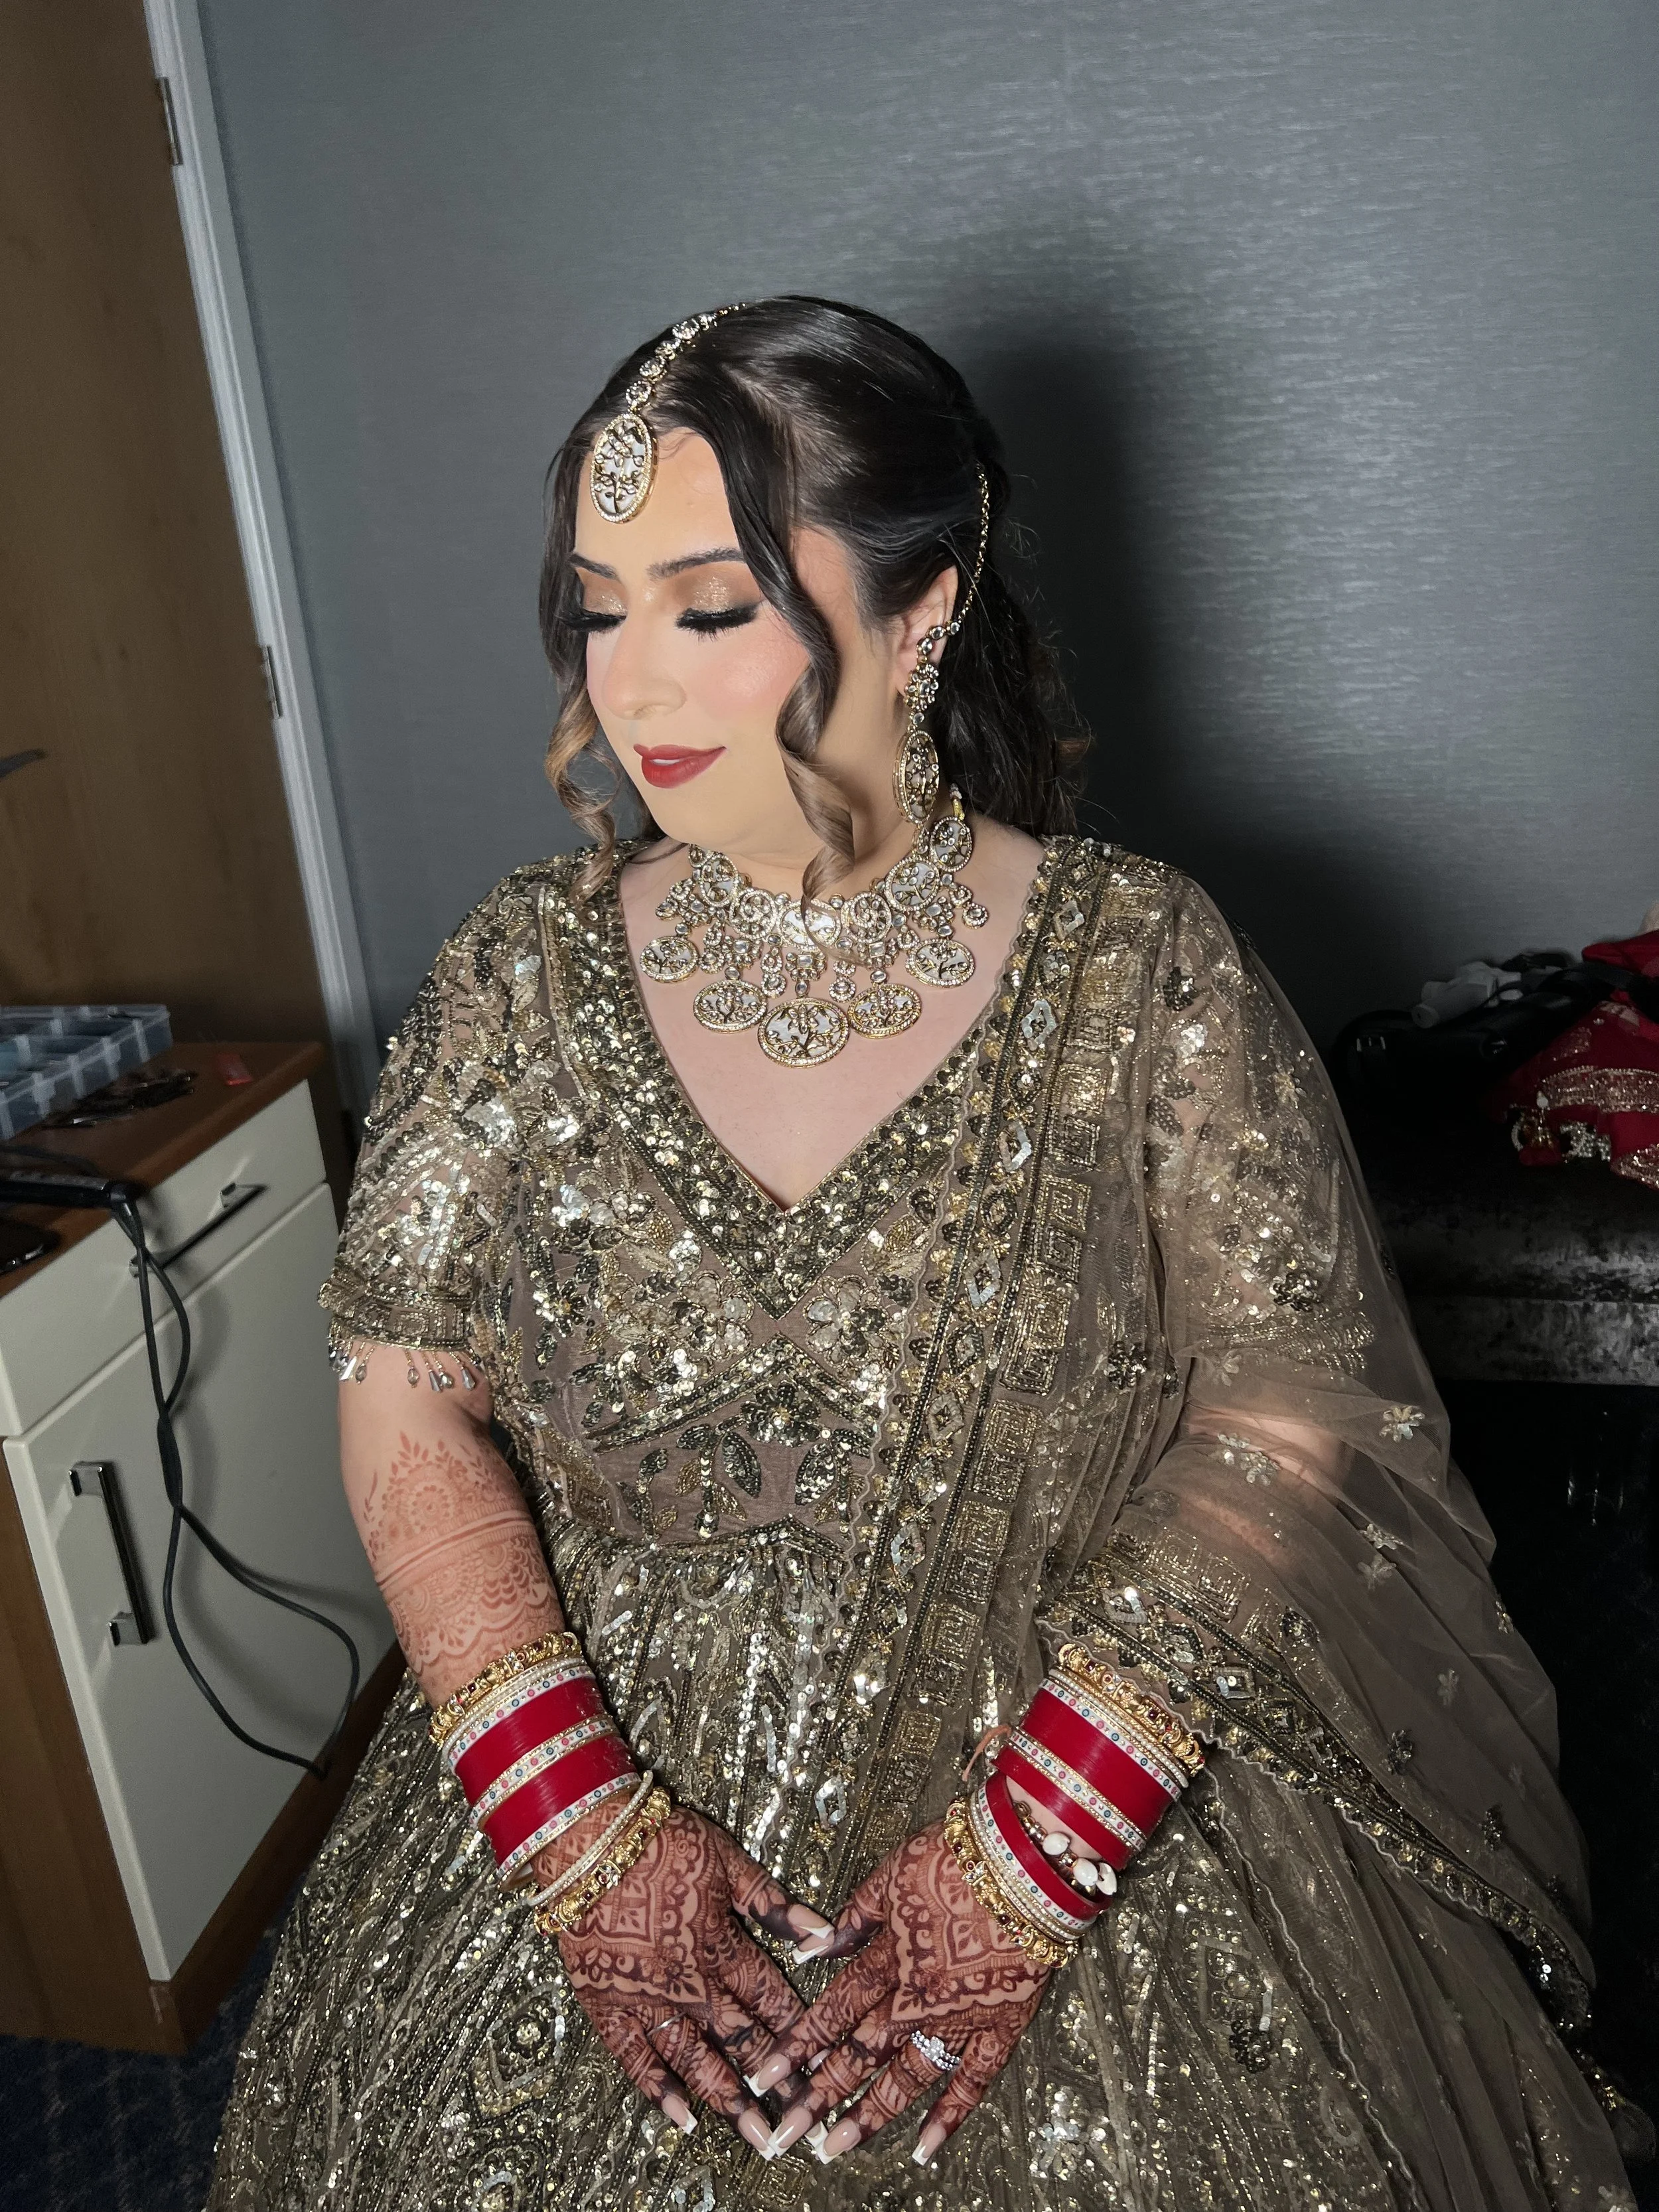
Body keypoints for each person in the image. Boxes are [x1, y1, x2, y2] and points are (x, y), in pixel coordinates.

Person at [208, 297, 1642, 2211]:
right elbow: (406, 1403)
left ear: (922, 608)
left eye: (708, 607)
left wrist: (1030, 1854)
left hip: (1091, 1752)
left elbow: (1293, 1411)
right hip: (591, 1767)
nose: (637, 682)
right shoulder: (510, 979)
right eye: (596, 607)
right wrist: (582, 1840)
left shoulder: (1144, 969)